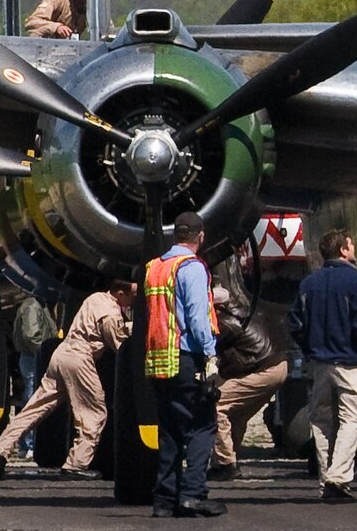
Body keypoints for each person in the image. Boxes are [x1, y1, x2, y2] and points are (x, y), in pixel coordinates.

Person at [0, 283, 134, 480]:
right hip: (80, 358)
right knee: (94, 414)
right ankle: (76, 464)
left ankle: (1, 453)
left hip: (61, 355)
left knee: (35, 407)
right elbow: (119, 344)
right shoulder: (110, 312)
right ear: (120, 294)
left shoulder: (95, 298)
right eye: (132, 296)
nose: (133, 301)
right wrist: (139, 327)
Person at [143, 213, 226, 518]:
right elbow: (196, 316)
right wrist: (210, 355)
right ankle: (192, 494)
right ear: (199, 236)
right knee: (203, 426)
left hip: (159, 361)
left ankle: (164, 500)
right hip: (186, 357)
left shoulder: (155, 267)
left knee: (170, 431)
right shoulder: (191, 267)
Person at [288, 229, 357, 501]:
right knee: (354, 418)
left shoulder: (309, 283)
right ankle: (338, 478)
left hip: (320, 364)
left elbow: (295, 323)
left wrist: (308, 348)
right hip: (350, 363)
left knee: (322, 421)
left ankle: (326, 480)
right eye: (351, 245)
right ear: (343, 250)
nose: (354, 249)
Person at [209, 284, 288, 482]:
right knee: (236, 411)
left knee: (215, 406)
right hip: (275, 364)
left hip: (263, 369)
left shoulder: (224, 323)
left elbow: (210, 349)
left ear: (216, 307)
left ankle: (226, 463)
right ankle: (227, 458)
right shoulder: (244, 312)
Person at [10, 296, 59, 448]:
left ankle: (28, 442)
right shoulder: (32, 306)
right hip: (33, 357)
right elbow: (31, 335)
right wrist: (44, 353)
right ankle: (28, 442)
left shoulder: (39, 305)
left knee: (32, 397)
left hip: (33, 356)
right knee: (31, 399)